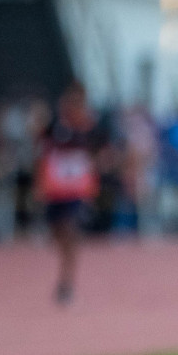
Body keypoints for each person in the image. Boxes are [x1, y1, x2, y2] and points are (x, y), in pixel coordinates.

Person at [36, 80, 105, 304]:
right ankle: (65, 274)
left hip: (76, 191)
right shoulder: (55, 124)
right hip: (56, 190)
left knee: (69, 232)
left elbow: (104, 151)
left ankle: (66, 282)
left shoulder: (91, 126)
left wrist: (94, 169)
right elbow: (41, 147)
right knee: (57, 232)